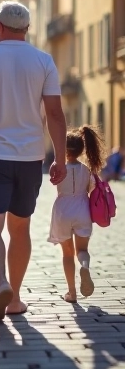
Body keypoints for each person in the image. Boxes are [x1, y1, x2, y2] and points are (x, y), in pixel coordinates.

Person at [0, 1, 67, 322]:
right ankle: (15, 298)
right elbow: (55, 114)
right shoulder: (44, 61)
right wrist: (59, 158)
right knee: (20, 228)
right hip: (31, 157)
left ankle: (0, 284)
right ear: (28, 29)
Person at [49, 126, 104, 303]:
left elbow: (53, 181)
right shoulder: (87, 170)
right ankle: (85, 266)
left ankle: (72, 293)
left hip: (63, 209)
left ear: (63, 149)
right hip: (82, 209)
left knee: (67, 254)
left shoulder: (56, 166)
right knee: (82, 250)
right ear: (82, 150)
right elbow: (91, 189)